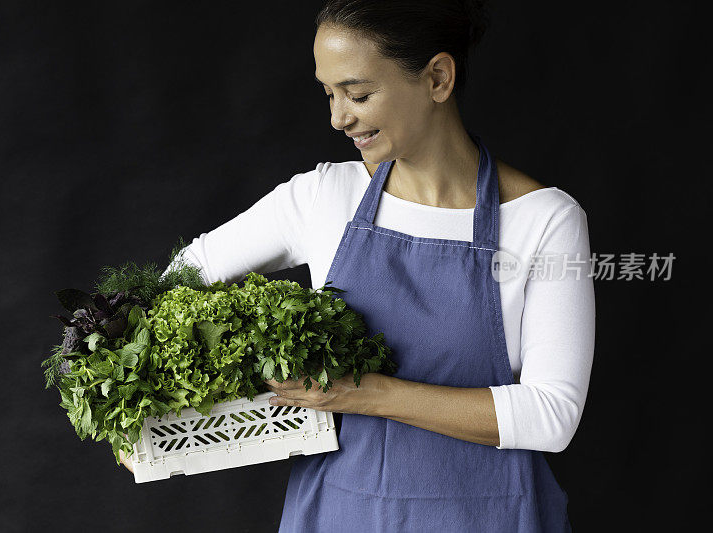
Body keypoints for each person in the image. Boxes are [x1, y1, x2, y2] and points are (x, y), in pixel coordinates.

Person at [125, 1, 595, 531]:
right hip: (339, 512)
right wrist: (145, 413)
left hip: (488, 516)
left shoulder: (545, 221)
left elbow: (551, 416)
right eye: (329, 94)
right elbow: (184, 277)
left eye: (358, 93)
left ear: (438, 78)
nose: (337, 117)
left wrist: (364, 393)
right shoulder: (323, 196)